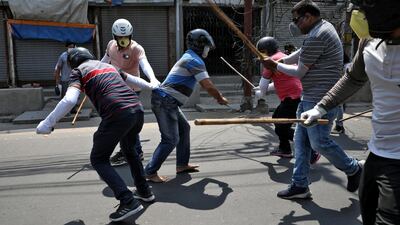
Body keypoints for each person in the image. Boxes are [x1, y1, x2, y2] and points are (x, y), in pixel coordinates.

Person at [301, 0, 400, 223]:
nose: (359, 14)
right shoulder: (369, 42)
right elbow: (353, 78)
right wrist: (321, 107)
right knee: (368, 213)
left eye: (367, 9)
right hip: (377, 154)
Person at [36, 47, 158, 222]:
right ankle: (145, 192)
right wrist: (153, 86)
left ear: (72, 63)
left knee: (99, 159)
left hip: (117, 113)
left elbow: (69, 100)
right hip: (136, 110)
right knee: (130, 151)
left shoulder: (78, 71)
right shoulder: (106, 66)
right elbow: (133, 79)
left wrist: (47, 123)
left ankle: (127, 200)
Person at [261, 0, 362, 199]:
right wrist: (281, 60)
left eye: (297, 20)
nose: (295, 25)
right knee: (301, 144)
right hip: (309, 98)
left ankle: (353, 168)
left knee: (319, 143)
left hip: (321, 100)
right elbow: (302, 52)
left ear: (308, 17)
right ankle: (300, 185)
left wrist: (275, 66)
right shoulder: (323, 28)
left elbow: (298, 73)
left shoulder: (317, 35)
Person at [144, 29, 228, 183]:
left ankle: (182, 164)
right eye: (206, 46)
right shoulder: (194, 60)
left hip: (168, 101)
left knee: (184, 129)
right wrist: (220, 98)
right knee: (170, 139)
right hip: (165, 101)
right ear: (200, 45)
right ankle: (149, 171)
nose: (207, 50)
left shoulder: (190, 56)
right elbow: (207, 85)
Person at [101, 18, 161, 166]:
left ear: (131, 36)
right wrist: (94, 71)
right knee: (123, 122)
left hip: (132, 90)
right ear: (115, 37)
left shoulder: (136, 48)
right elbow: (105, 60)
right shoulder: (111, 45)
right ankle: (129, 151)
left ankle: (133, 152)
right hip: (115, 88)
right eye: (120, 38)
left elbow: (145, 65)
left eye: (126, 37)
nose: (123, 40)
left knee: (127, 122)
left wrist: (152, 79)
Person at [254, 36, 321, 164]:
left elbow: (263, 88)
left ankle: (311, 151)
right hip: (295, 97)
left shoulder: (270, 61)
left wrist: (260, 92)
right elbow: (280, 82)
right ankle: (284, 149)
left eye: (261, 52)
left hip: (292, 99)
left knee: (281, 128)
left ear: (265, 51)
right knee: (276, 119)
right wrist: (263, 88)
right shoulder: (283, 57)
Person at [331, 53, 350, 134]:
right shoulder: (344, 65)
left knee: (339, 106)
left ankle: (339, 125)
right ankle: (339, 125)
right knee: (339, 106)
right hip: (342, 87)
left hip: (341, 87)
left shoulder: (345, 66)